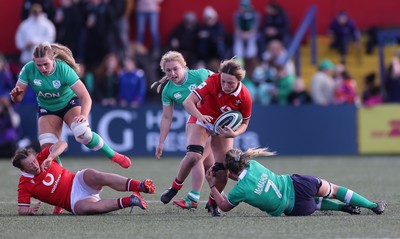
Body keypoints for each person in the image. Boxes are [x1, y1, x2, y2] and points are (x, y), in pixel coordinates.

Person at [9, 42, 131, 169]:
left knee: (83, 132)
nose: (43, 68)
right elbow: (17, 99)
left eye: (46, 64)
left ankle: (113, 155)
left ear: (53, 59)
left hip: (69, 104)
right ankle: (61, 178)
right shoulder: (28, 69)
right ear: (34, 62)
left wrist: (84, 115)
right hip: (47, 108)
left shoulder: (63, 69)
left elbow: (86, 97)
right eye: (39, 65)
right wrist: (15, 95)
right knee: (47, 148)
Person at [205, 147, 387, 216]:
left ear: (230, 171)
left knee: (315, 204)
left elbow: (225, 205)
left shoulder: (240, 191)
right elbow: (240, 173)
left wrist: (212, 185)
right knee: (333, 189)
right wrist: (227, 169)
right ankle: (373, 205)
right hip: (297, 184)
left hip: (294, 209)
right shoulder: (255, 165)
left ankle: (341, 208)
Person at [180, 58, 252, 215]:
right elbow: (188, 102)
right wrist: (200, 116)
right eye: (224, 81)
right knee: (194, 156)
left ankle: (212, 203)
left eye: (230, 83)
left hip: (223, 130)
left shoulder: (245, 96)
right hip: (203, 121)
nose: (226, 86)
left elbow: (245, 124)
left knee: (223, 171)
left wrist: (234, 133)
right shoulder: (213, 80)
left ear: (239, 81)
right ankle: (177, 188)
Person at [151, 51, 217, 215]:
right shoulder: (168, 90)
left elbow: (221, 81)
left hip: (215, 119)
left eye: (175, 69)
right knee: (199, 158)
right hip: (198, 120)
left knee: (208, 164)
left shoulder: (200, 74)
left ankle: (190, 194)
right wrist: (160, 142)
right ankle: (203, 198)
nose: (172, 73)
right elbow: (166, 117)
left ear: (184, 66)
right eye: (168, 71)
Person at [12, 140, 155, 215]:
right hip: (73, 201)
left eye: (34, 161)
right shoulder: (24, 185)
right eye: (30, 165)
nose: (35, 165)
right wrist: (30, 211)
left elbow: (63, 144)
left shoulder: (42, 157)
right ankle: (131, 200)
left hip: (78, 181)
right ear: (23, 169)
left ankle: (140, 186)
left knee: (95, 175)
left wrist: (51, 156)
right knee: (84, 209)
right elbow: (22, 210)